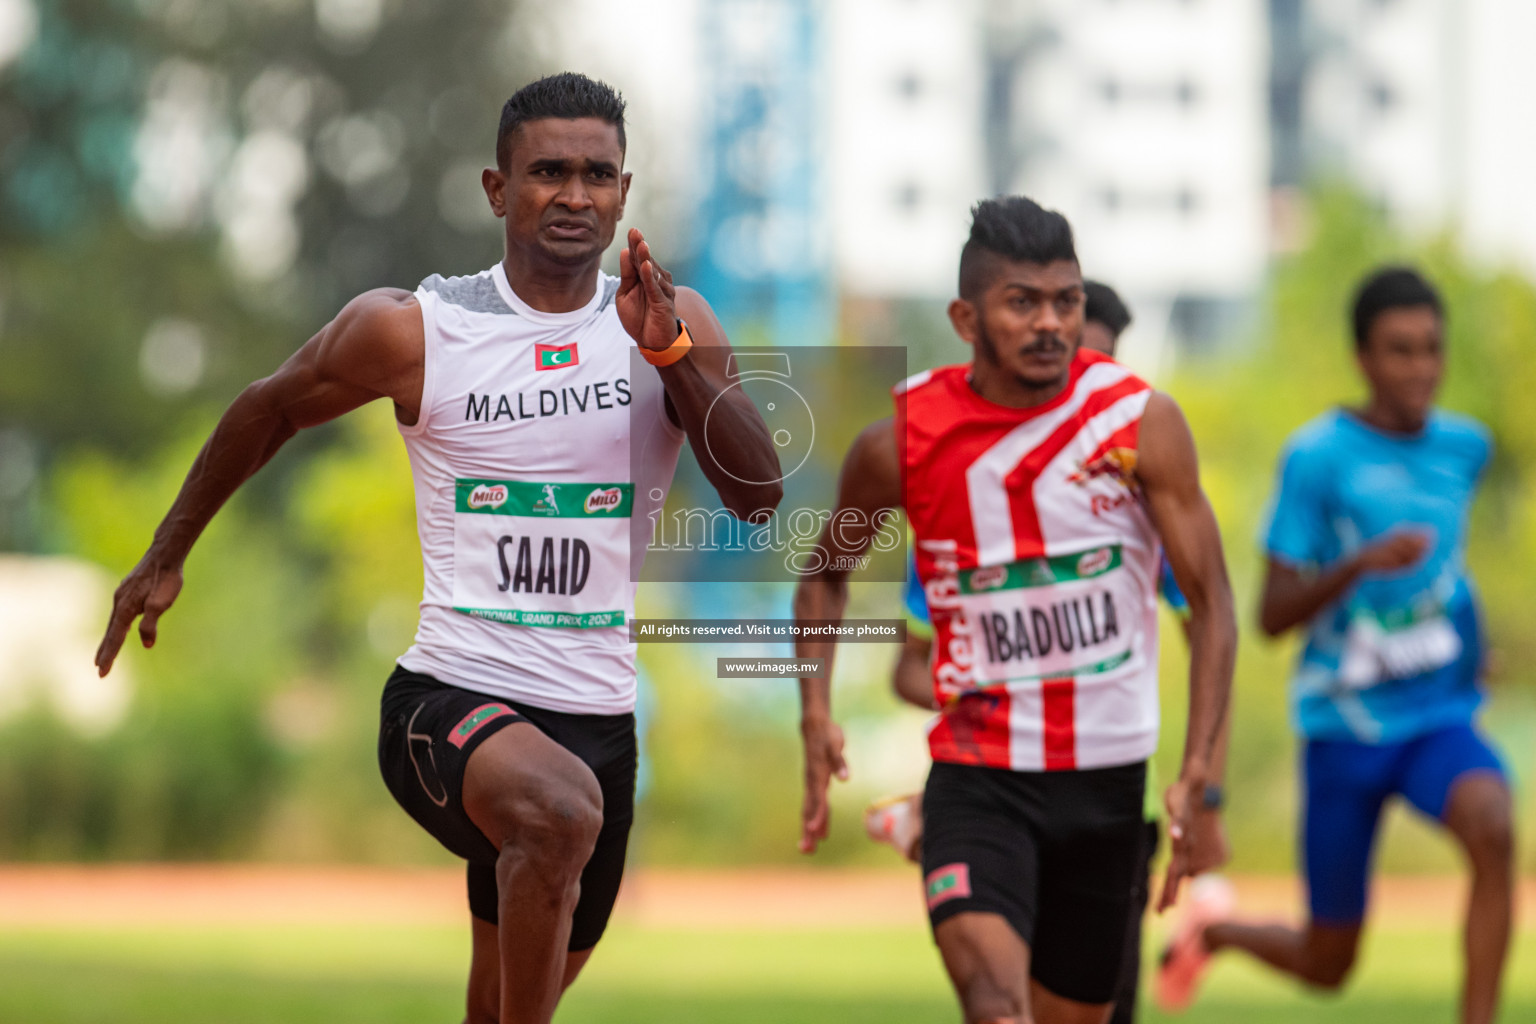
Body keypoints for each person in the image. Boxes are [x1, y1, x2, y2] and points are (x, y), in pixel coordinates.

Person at [93, 72, 781, 1024]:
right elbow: (270, 408)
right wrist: (166, 554)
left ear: (625, 192)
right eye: (548, 172)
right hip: (451, 698)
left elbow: (758, 496)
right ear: (499, 190)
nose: (574, 195)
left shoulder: (672, 322)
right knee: (557, 812)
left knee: (503, 990)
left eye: (597, 174)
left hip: (599, 719)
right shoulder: (418, 330)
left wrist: (670, 357)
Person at [794, 196, 1237, 1024]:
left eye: (1066, 301)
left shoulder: (1143, 425)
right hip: (978, 778)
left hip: (1106, 787)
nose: (1051, 324)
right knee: (998, 1007)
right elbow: (825, 576)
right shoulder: (898, 443)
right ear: (967, 317)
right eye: (1022, 302)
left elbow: (1212, 606)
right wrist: (814, 713)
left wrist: (1199, 769)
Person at [1157, 267, 1514, 1024]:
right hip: (1344, 730)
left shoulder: (1465, 448)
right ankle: (1214, 932)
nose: (1419, 368)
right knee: (1329, 965)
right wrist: (1355, 564)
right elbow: (1271, 615)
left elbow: (1450, 568)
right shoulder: (1317, 458)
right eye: (1399, 350)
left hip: (1435, 718)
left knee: (1495, 821)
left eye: (1430, 350)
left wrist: (1465, 642)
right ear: (1362, 357)